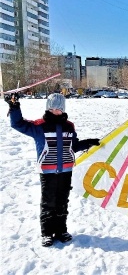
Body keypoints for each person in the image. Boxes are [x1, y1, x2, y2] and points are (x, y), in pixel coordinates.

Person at [5, 93, 101, 247]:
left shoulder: (69, 126)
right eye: (53, 108)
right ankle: (47, 233)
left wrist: (88, 142)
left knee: (62, 202)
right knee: (48, 203)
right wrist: (14, 107)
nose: (57, 111)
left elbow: (73, 146)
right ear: (48, 108)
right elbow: (19, 124)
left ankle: (61, 230)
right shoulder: (39, 126)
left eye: (60, 108)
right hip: (47, 171)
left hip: (66, 170)